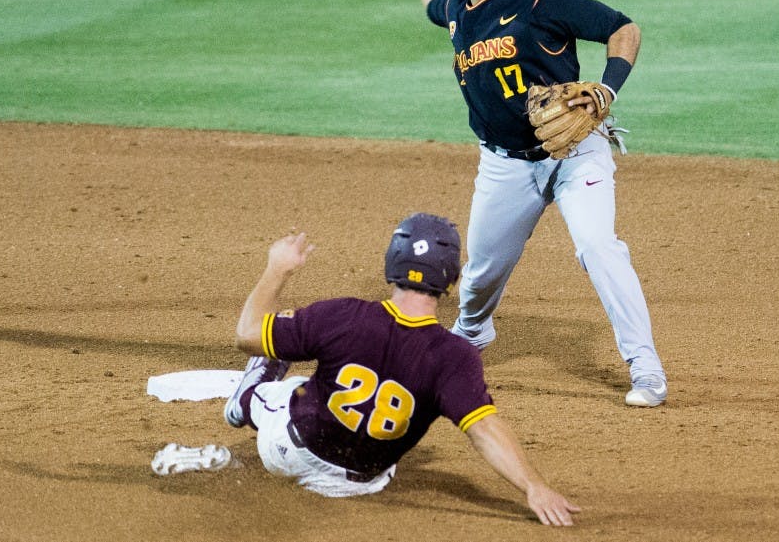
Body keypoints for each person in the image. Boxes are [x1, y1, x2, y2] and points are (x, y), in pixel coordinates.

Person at [401, 0, 667, 407]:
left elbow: (623, 29)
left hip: (575, 154)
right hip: (504, 167)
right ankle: (473, 335)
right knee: (478, 279)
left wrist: (607, 88)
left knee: (598, 246)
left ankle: (646, 368)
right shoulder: (457, 10)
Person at [222, 213, 580, 526]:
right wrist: (535, 487)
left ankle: (246, 399)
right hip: (355, 485)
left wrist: (278, 268)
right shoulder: (455, 356)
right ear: (450, 278)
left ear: (392, 262)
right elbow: (485, 429)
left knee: (282, 349)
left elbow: (246, 335)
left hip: (287, 453)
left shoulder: (343, 316)